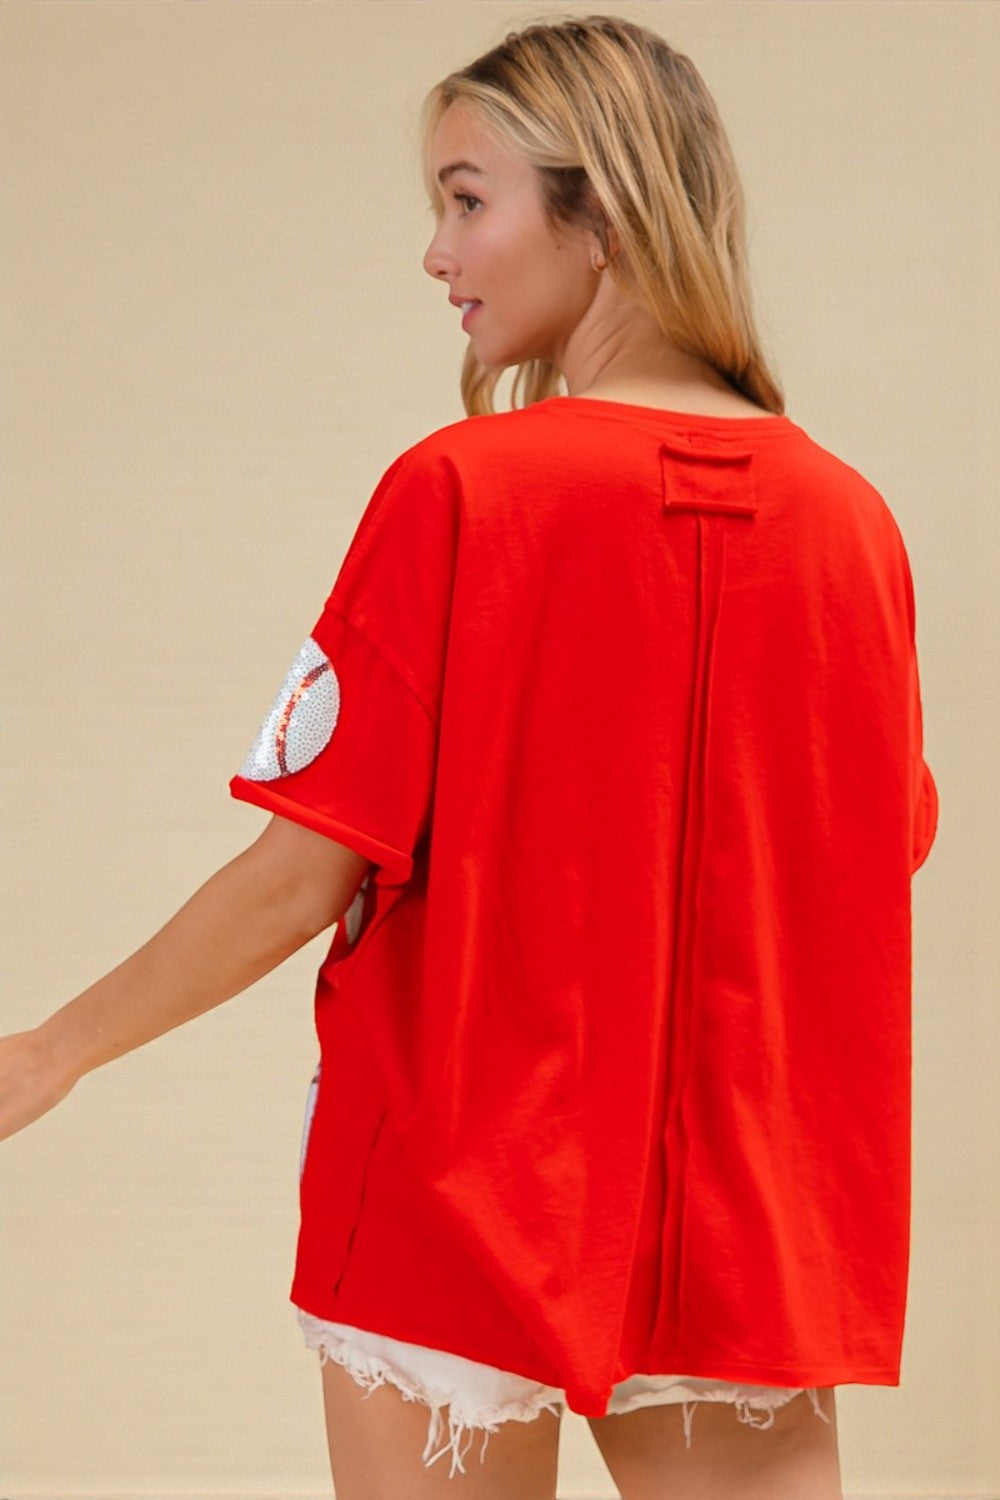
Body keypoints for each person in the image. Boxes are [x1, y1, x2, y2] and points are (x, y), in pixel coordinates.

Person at [1, 14, 938, 1500]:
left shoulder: (460, 493)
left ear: (604, 214)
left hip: (459, 1187)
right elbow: (873, 851)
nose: (436, 255)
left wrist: (49, 1053)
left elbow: (303, 868)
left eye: (465, 198)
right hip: (746, 1212)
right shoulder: (853, 523)